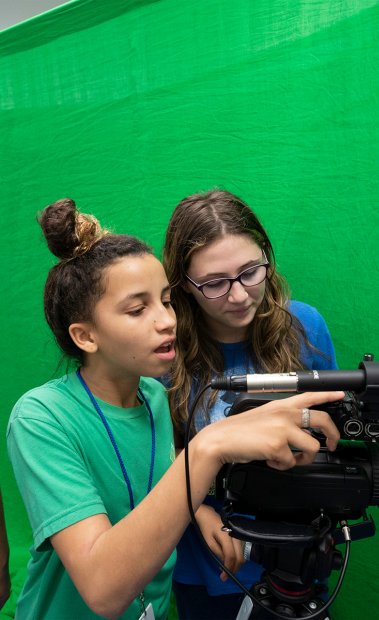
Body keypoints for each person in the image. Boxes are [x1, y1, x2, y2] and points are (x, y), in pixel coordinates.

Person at [6, 199, 342, 620]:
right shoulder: (41, 417)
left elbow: (166, 475)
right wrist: (212, 446)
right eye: (138, 309)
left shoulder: (150, 396)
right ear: (85, 336)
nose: (167, 321)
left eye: (166, 302)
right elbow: (104, 591)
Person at [162, 189, 339, 620]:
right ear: (183, 285)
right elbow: (150, 454)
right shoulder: (164, 353)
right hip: (206, 562)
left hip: (293, 557)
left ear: (267, 256)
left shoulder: (305, 327)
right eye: (215, 283)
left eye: (250, 272)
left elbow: (330, 436)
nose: (239, 296)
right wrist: (198, 509)